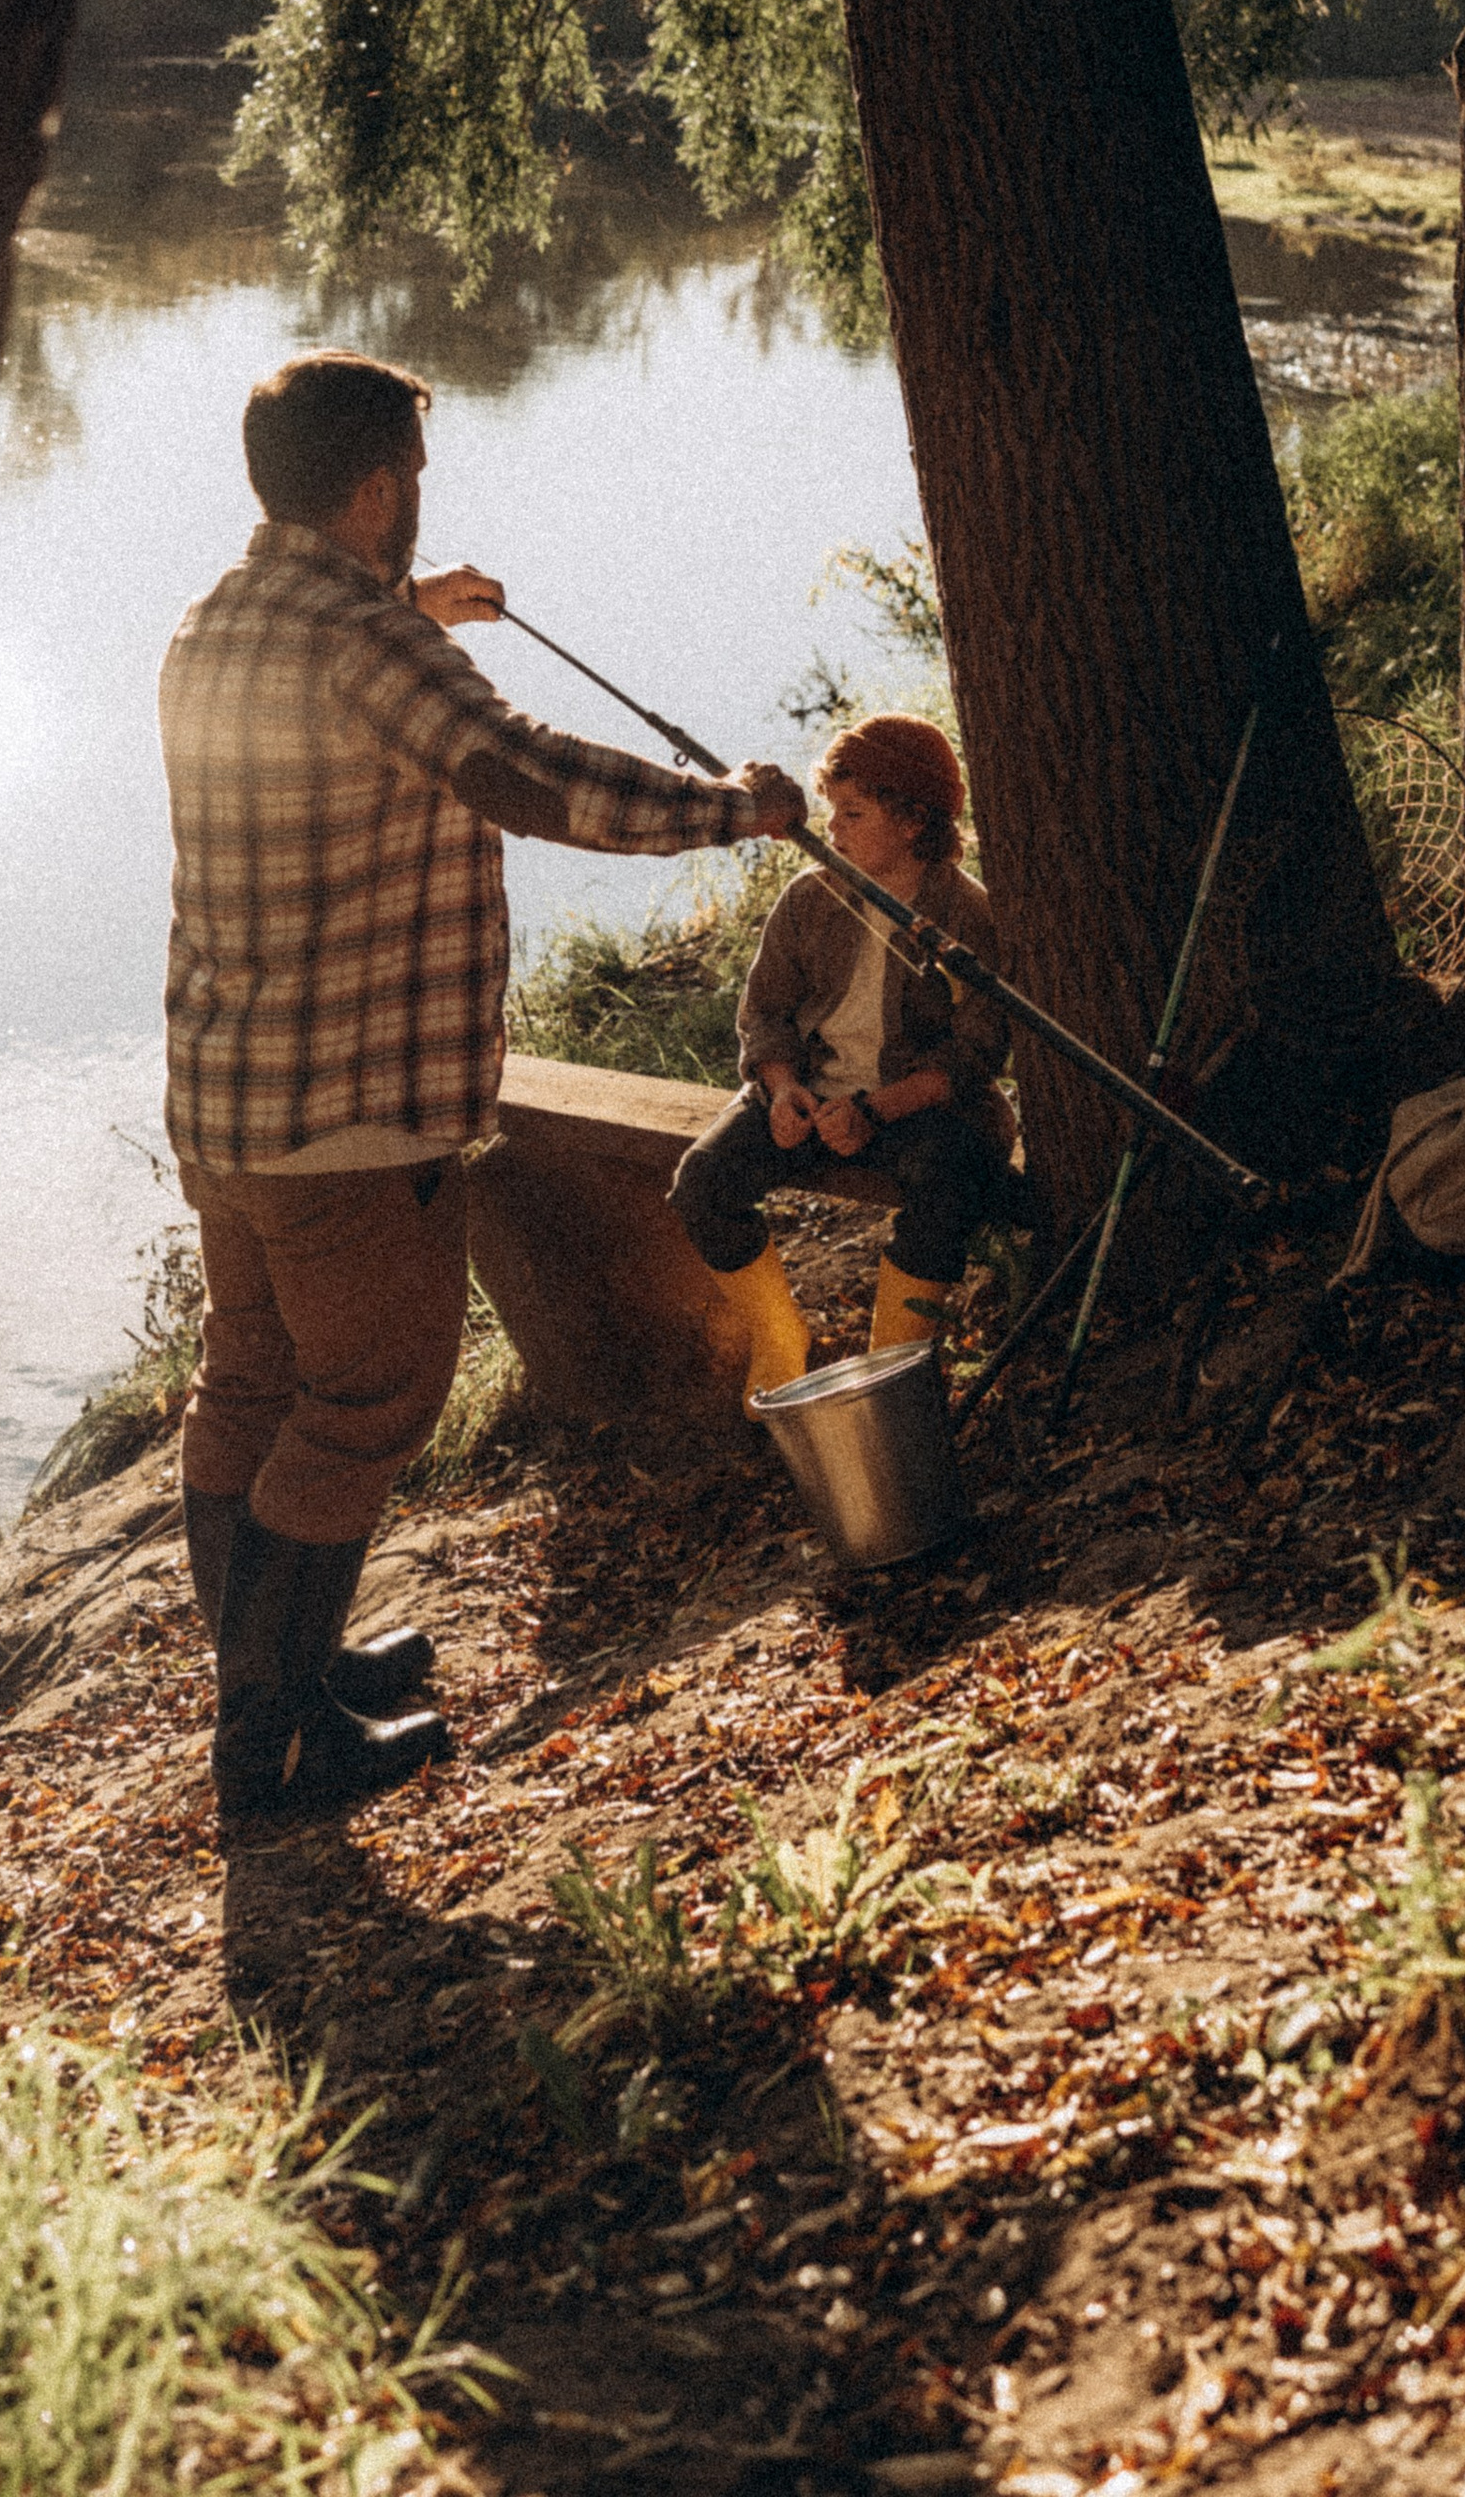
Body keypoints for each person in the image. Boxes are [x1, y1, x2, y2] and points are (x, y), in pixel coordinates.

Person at [158, 347, 803, 1836]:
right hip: (350, 1119)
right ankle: (277, 1743)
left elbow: (331, 685)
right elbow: (525, 773)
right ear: (380, 488)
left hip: (227, 1103)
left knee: (246, 1384)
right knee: (363, 1403)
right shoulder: (367, 647)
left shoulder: (220, 620)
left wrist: (412, 608)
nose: (422, 500)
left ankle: (281, 1675)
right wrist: (735, 813)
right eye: (416, 478)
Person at [670, 714, 1010, 1387]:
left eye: (852, 814)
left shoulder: (965, 911)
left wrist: (876, 1111)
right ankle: (778, 1338)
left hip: (909, 1108)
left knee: (950, 1183)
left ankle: (896, 1367)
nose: (832, 831)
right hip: (811, 1099)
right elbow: (765, 1011)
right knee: (701, 1186)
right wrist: (783, 1087)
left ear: (913, 822)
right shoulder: (809, 898)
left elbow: (977, 1047)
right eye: (833, 813)